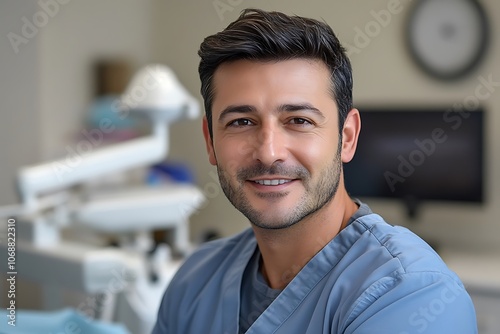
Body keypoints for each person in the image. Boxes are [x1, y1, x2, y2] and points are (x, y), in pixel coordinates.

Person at [152, 8, 477, 334]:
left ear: (346, 137)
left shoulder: (411, 294)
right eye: (241, 122)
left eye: (299, 120)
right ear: (210, 141)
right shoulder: (194, 282)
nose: (269, 151)